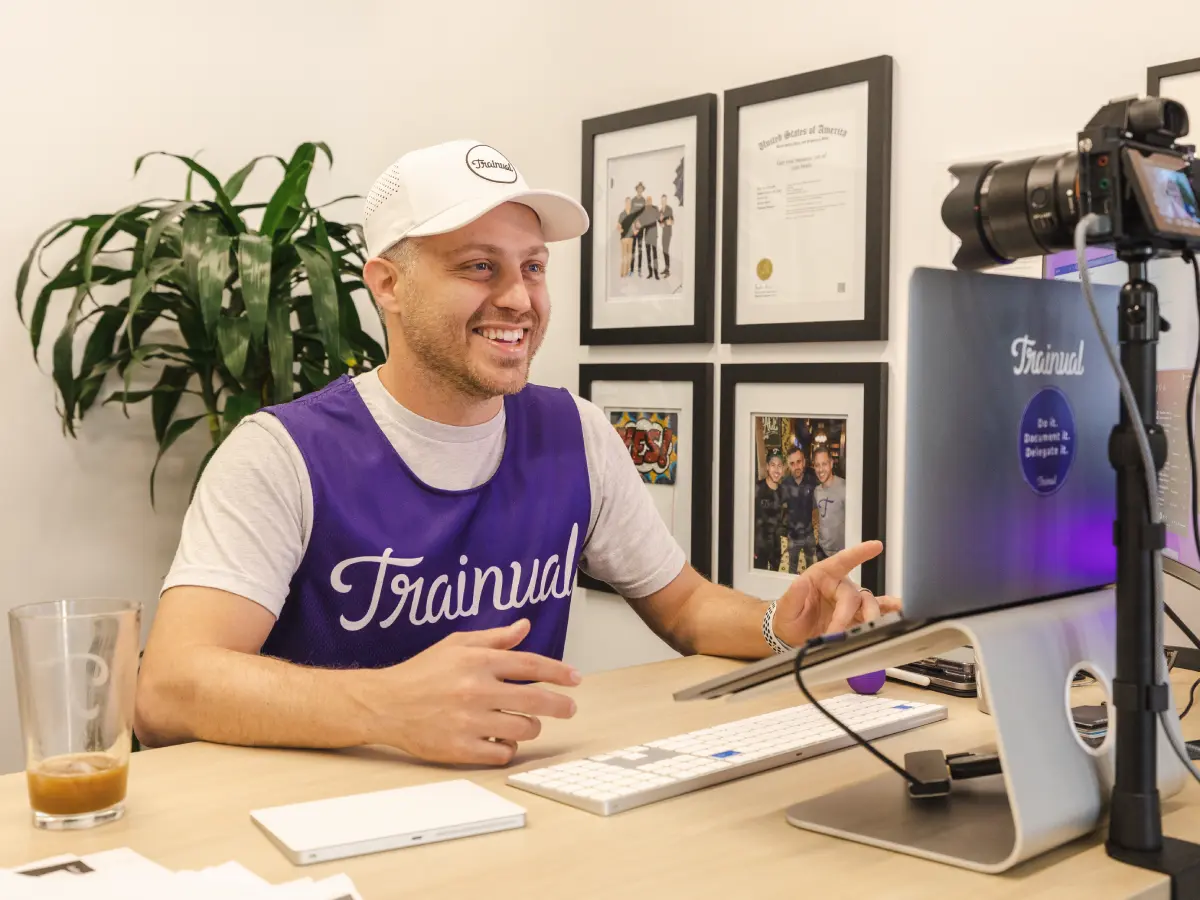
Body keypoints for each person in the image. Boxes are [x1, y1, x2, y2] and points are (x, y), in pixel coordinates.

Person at [134, 139, 894, 768]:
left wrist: (780, 624)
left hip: (512, 805)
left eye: (532, 267)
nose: (520, 300)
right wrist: (386, 705)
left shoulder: (577, 434)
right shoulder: (281, 454)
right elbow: (167, 690)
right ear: (388, 285)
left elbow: (688, 608)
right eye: (479, 266)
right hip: (312, 831)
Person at [779, 446, 817, 573]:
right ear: (788, 466)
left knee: (811, 567)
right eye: (792, 463)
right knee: (792, 568)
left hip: (809, 534)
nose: (796, 466)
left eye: (799, 462)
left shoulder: (812, 481)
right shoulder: (784, 484)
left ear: (804, 462)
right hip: (792, 536)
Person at [753, 449, 786, 572]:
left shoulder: (783, 492)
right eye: (773, 465)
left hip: (776, 547)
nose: (776, 470)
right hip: (758, 547)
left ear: (783, 469)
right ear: (767, 467)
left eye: (779, 466)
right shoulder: (756, 489)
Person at [813, 447, 847, 560]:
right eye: (817, 465)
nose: (820, 469)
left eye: (824, 464)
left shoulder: (845, 488)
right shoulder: (817, 491)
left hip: (841, 554)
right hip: (822, 551)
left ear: (831, 464)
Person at [637, 192, 660, 280]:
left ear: (651, 201)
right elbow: (641, 222)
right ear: (646, 202)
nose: (648, 201)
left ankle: (656, 273)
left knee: (654, 254)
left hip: (653, 235)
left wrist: (661, 218)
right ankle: (650, 273)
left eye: (650, 200)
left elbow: (659, 219)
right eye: (647, 200)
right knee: (648, 255)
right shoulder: (643, 210)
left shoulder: (655, 208)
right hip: (646, 235)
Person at [629, 182, 647, 275]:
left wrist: (640, 223)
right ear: (637, 189)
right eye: (638, 188)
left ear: (642, 190)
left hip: (641, 228)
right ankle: (631, 270)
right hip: (633, 228)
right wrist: (633, 225)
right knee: (633, 249)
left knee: (639, 248)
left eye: (641, 189)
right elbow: (631, 214)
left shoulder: (644, 200)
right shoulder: (633, 200)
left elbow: (644, 214)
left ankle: (639, 270)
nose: (640, 190)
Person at [616, 197, 637, 277]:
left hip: (631, 238)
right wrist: (621, 230)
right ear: (625, 203)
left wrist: (635, 231)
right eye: (627, 202)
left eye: (629, 203)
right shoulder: (622, 214)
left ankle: (627, 272)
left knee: (629, 256)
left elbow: (635, 224)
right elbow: (618, 226)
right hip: (624, 238)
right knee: (624, 256)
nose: (628, 204)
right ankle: (622, 273)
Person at [659, 194, 674, 277]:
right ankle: (666, 268)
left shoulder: (669, 209)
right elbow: (660, 223)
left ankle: (667, 270)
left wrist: (670, 222)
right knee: (664, 250)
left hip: (668, 233)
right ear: (661, 201)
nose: (663, 201)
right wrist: (661, 223)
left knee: (666, 250)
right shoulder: (660, 210)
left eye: (665, 200)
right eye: (662, 200)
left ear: (666, 200)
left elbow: (671, 221)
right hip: (664, 233)